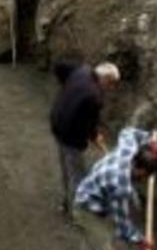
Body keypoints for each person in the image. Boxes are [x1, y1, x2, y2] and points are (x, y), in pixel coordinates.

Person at [50, 61, 121, 216]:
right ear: (106, 78)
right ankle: (78, 213)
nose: (110, 89)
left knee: (66, 169)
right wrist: (95, 136)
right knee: (78, 174)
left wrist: (67, 91)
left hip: (57, 123)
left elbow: (59, 67)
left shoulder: (81, 70)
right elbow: (88, 126)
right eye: (111, 85)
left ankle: (66, 203)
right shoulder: (94, 97)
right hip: (70, 135)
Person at [74, 127, 157, 250]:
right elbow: (122, 223)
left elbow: (127, 131)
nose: (144, 180)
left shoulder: (129, 150)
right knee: (102, 245)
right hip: (87, 207)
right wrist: (141, 240)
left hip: (90, 194)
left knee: (91, 242)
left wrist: (150, 140)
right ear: (141, 170)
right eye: (145, 176)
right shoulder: (121, 186)